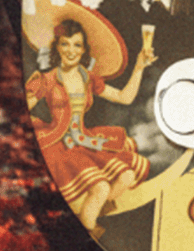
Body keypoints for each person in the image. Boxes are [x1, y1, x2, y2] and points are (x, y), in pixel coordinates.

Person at [26, 18, 155, 236]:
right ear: (57, 47)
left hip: (86, 140)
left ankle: (89, 212)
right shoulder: (46, 79)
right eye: (65, 44)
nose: (71, 51)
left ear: (84, 49)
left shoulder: (88, 79)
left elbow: (124, 97)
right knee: (101, 187)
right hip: (59, 144)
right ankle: (85, 230)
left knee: (126, 177)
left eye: (77, 45)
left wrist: (139, 67)